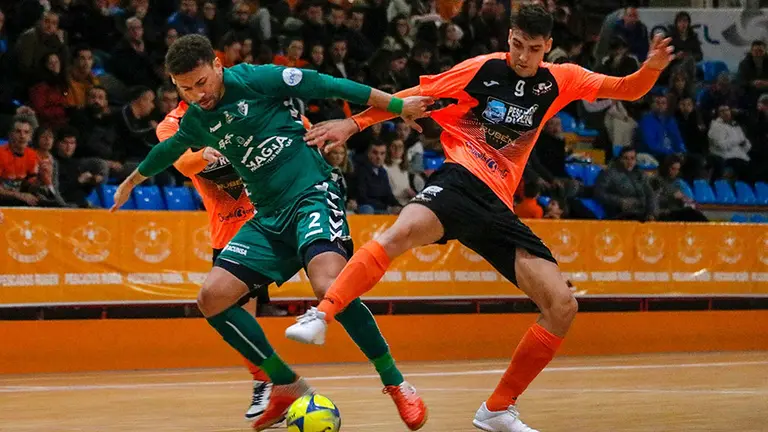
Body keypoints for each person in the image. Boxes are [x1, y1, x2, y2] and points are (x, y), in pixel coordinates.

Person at [288, 5, 674, 431]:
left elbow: (628, 89)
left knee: (562, 305)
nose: (522, 56)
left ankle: (497, 409)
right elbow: (412, 98)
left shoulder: (560, 79)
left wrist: (652, 68)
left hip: (496, 206)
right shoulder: (480, 70)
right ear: (508, 37)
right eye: (516, 45)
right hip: (459, 181)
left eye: (532, 49)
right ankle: (322, 313)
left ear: (547, 48)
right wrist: (353, 124)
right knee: (400, 233)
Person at [110, 34, 432, 431]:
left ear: (217, 64)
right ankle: (285, 384)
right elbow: (167, 152)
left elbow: (327, 84)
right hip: (267, 217)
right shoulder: (195, 119)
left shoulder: (257, 79)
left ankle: (396, 382)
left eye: (202, 82)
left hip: (312, 194)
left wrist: (397, 105)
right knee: (212, 298)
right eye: (186, 88)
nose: (198, 94)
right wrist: (130, 182)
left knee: (328, 285)